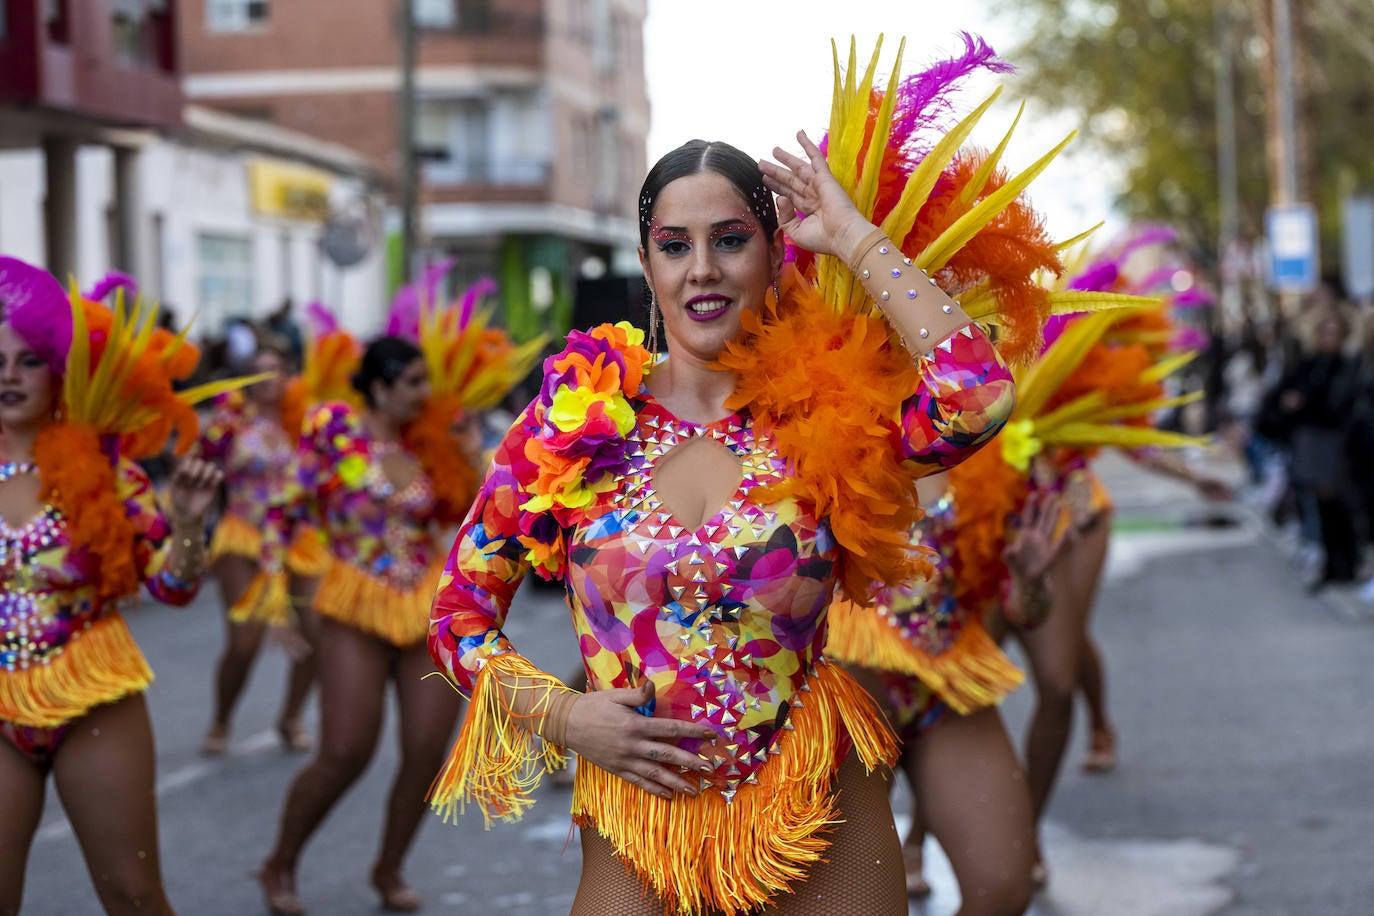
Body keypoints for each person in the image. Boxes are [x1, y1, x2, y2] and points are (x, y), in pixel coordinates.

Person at [426, 95, 1021, 914]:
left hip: (815, 808)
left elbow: (978, 394)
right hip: (641, 828)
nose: (701, 268)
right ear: (647, 267)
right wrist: (564, 717)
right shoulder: (572, 424)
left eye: (731, 239)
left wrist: (852, 238)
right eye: (675, 246)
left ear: (774, 255)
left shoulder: (826, 414)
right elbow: (457, 615)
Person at [0, 257, 225, 914]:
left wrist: (188, 526)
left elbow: (174, 589)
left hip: (91, 695)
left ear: (59, 370)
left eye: (28, 361)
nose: (8, 375)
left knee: (134, 896)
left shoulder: (109, 472)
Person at [255, 332, 500, 915]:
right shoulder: (334, 430)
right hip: (354, 604)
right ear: (381, 386)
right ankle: (280, 862)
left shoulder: (430, 440)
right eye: (413, 381)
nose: (425, 392)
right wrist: (272, 597)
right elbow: (283, 507)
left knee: (426, 749)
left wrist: (470, 458)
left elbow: (468, 515)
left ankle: (389, 866)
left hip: (423, 605)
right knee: (346, 749)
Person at [198, 345, 314, 756]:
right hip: (243, 535)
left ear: (288, 376)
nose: (267, 379)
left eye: (274, 369)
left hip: (296, 539)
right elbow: (199, 468)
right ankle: (221, 718)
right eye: (258, 370)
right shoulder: (230, 422)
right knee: (245, 641)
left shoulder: (305, 422)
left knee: (315, 636)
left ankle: (291, 718)